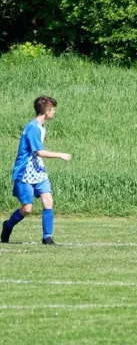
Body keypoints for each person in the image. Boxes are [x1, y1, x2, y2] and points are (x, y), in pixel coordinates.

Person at [1, 96, 72, 245]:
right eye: (53, 109)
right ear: (46, 112)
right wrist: (60, 155)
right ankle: (7, 226)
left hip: (38, 170)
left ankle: (47, 238)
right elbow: (39, 152)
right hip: (25, 171)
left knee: (48, 201)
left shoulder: (41, 126)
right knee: (27, 209)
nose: (54, 111)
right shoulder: (33, 127)